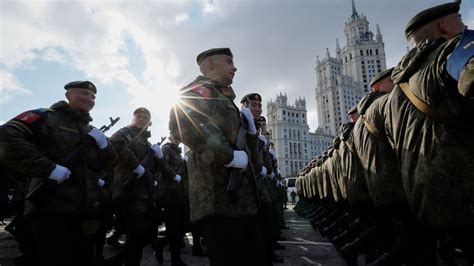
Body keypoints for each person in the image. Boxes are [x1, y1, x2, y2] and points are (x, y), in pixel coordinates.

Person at [386, 0, 474, 262]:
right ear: (443, 25)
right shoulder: (452, 50)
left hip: (424, 200)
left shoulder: (396, 92)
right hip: (465, 195)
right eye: (459, 18)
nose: (465, 24)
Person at [0, 80, 117, 266]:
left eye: (93, 96)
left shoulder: (91, 131)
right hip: (51, 210)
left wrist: (104, 146)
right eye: (83, 94)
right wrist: (48, 168)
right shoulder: (45, 116)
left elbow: (110, 163)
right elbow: (5, 136)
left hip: (86, 211)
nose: (90, 99)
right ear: (68, 95)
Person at [169, 48, 263, 266]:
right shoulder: (198, 91)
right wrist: (228, 156)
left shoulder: (225, 98)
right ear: (210, 64)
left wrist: (251, 135)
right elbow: (183, 123)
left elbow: (249, 158)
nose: (234, 67)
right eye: (229, 62)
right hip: (218, 198)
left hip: (245, 200)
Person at [108, 107, 177, 266]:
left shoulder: (146, 142)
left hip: (145, 195)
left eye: (145, 117)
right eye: (138, 116)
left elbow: (156, 169)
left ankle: (119, 261)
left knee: (147, 234)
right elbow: (117, 146)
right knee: (135, 234)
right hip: (128, 191)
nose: (142, 119)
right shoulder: (124, 133)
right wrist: (136, 165)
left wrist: (158, 157)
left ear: (149, 122)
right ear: (133, 118)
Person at [152, 132, 189, 266]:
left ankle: (160, 244)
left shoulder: (177, 153)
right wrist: (174, 176)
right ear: (169, 137)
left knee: (182, 226)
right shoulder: (166, 149)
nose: (177, 138)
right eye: (174, 135)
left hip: (179, 194)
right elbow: (162, 165)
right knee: (174, 227)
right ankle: (175, 260)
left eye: (179, 136)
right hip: (169, 194)